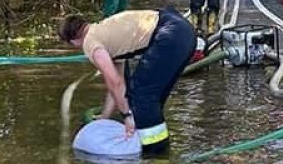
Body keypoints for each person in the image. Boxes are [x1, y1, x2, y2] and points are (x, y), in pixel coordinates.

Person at [59, 8, 195, 154]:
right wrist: (105, 117)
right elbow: (117, 83)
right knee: (150, 99)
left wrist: (127, 116)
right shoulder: (104, 31)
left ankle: (156, 158)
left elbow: (115, 83)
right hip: (181, 28)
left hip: (170, 34)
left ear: (73, 41)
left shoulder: (90, 43)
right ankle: (159, 148)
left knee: (141, 94)